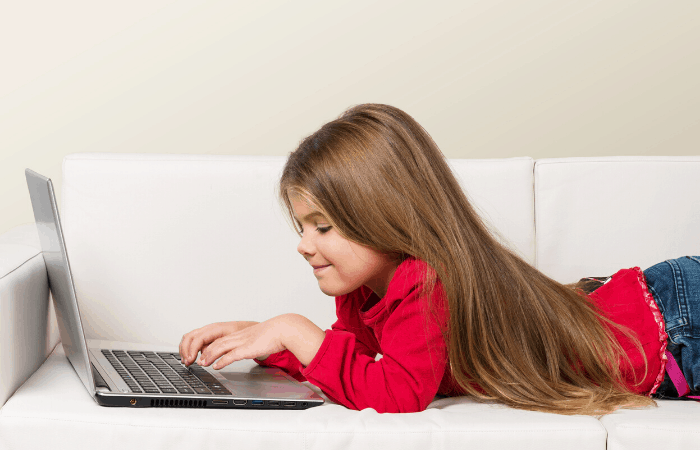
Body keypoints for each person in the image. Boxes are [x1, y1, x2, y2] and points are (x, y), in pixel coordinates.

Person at [179, 103, 700, 415]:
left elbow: (398, 392)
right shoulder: (369, 291)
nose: (304, 244)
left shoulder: (425, 282)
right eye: (301, 227)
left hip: (678, 323)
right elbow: (355, 371)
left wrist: (294, 330)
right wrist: (266, 337)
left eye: (324, 226)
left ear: (381, 213)